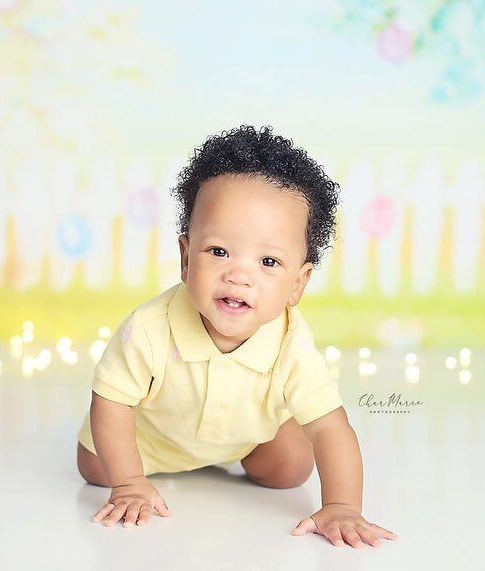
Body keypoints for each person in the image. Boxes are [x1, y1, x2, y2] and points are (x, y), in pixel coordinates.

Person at [75, 125, 398, 549]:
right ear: (186, 258)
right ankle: (129, 471)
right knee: (97, 467)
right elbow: (111, 400)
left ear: (297, 284)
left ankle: (255, 448)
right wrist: (130, 481)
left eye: (268, 261)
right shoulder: (150, 328)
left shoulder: (290, 343)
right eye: (219, 251)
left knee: (290, 469)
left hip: (246, 433)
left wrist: (342, 506)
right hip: (150, 439)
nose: (239, 275)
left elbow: (331, 429)